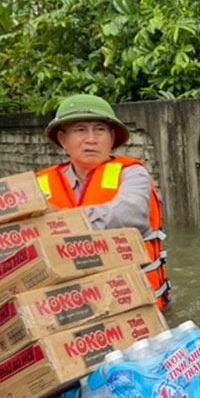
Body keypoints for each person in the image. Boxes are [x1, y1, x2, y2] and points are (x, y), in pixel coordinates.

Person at [37, 94, 170, 309]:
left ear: (111, 137)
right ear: (63, 140)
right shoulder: (40, 183)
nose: (91, 139)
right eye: (80, 130)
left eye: (99, 130)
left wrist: (59, 221)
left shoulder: (133, 173)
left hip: (136, 307)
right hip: (73, 307)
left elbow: (128, 217)